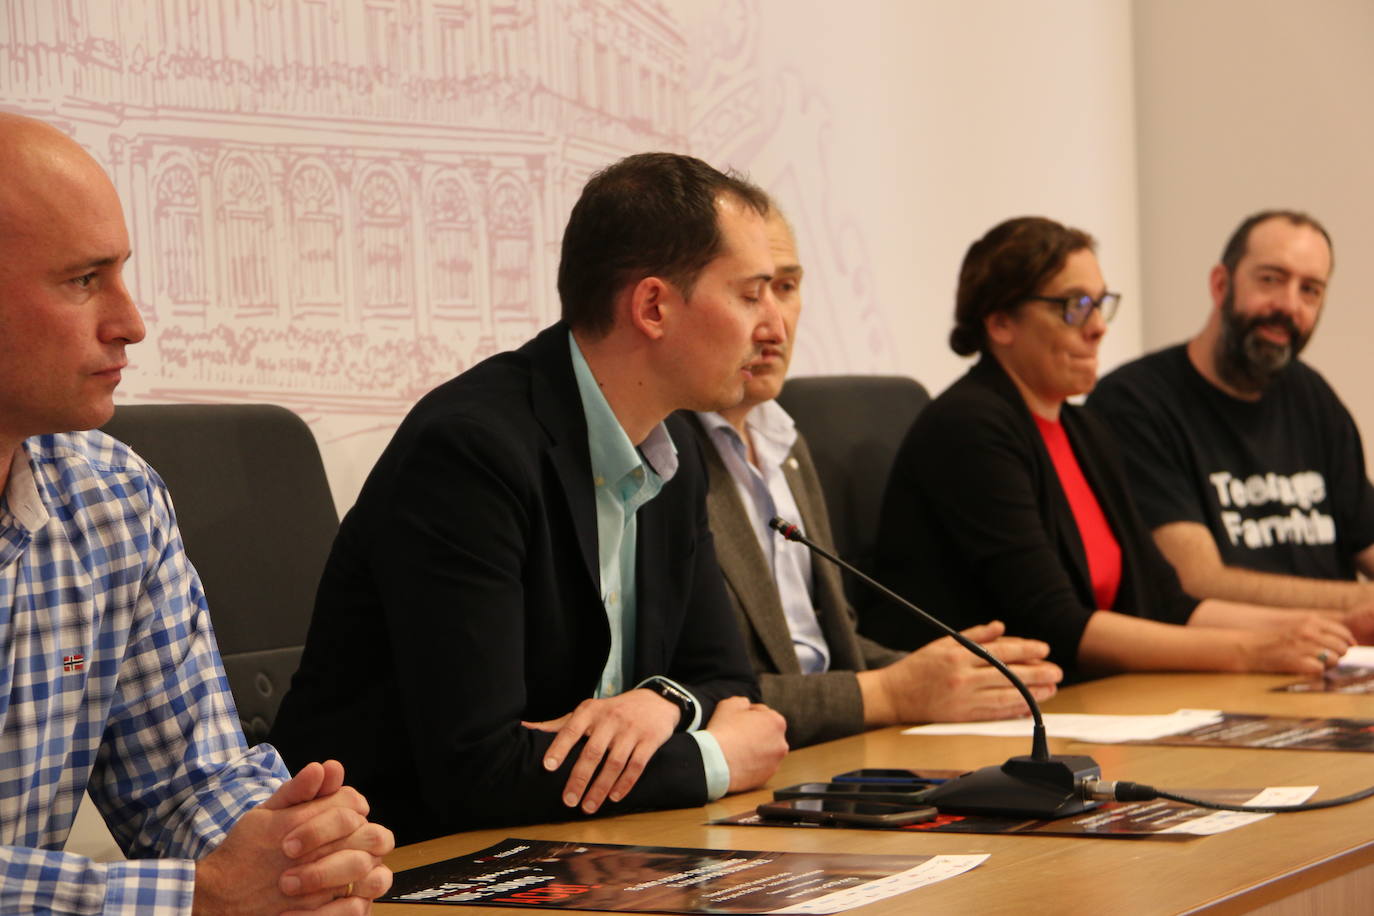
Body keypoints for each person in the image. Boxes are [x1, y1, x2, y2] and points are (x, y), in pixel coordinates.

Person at [270, 153, 789, 844]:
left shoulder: (676, 449)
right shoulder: (472, 452)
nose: (773, 327)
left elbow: (727, 679)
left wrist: (660, 703)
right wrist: (713, 759)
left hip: (580, 842)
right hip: (396, 857)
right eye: (751, 295)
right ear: (654, 306)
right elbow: (475, 771)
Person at [0, 113, 393, 913]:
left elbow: (185, 785)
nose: (131, 323)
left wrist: (293, 853)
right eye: (84, 280)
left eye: (122, 274)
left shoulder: (111, 496)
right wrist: (192, 898)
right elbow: (199, 891)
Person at [865, 216, 1366, 682]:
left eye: (1101, 304)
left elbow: (1168, 601)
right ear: (1000, 323)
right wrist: (1250, 653)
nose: (1098, 327)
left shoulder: (1084, 430)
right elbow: (1058, 623)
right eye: (1074, 307)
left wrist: (1330, 627)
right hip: (974, 715)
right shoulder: (970, 426)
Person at [682, 209, 1063, 748]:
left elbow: (826, 650)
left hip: (842, 744)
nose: (775, 324)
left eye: (787, 287)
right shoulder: (668, 458)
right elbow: (705, 691)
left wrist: (954, 675)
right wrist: (892, 691)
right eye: (750, 294)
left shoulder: (784, 438)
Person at [1087, 211, 1374, 611]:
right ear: (1221, 284)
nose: (1289, 305)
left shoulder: (1312, 395)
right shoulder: (1134, 402)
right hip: (1230, 662)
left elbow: (1366, 539)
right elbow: (1197, 581)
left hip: (1343, 660)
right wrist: (1360, 602)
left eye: (1310, 290)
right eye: (1271, 279)